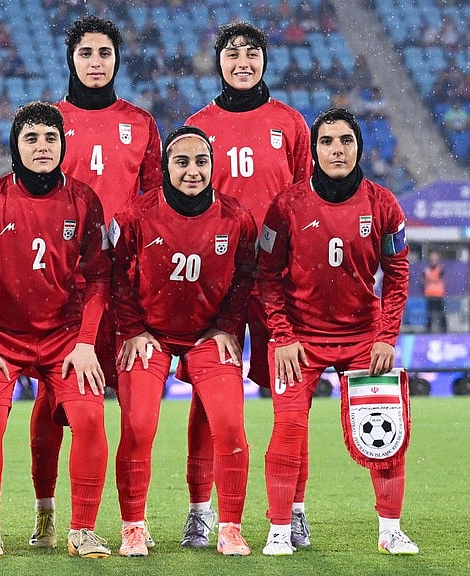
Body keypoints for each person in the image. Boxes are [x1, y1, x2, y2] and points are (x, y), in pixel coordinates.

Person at [30, 15, 162, 550]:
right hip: (66, 284)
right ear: (72, 60)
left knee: (134, 407)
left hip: (127, 283)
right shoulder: (50, 120)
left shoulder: (141, 122)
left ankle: (133, 516)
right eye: (86, 53)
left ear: (116, 60)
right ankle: (45, 511)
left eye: (104, 53)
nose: (95, 62)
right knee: (53, 402)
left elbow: (155, 202)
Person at [258, 107, 416, 556]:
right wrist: (283, 336)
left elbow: (398, 272)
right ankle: (280, 530)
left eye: (345, 140)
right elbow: (267, 275)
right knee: (288, 429)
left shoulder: (382, 202)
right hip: (299, 340)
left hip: (364, 336)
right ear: (314, 150)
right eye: (326, 141)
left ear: (359, 147)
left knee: (385, 429)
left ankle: (390, 530)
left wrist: (386, 336)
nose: (337, 149)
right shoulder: (286, 205)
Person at [0, 102, 111, 560]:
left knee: (89, 420)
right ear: (16, 147)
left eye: (50, 138)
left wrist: (86, 342)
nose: (42, 147)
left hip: (65, 338)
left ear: (63, 145)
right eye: (32, 139)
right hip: (0, 338)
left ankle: (78, 528)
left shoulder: (84, 200)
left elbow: (101, 276)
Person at [185, 21, 313, 549]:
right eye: (232, 53)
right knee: (207, 396)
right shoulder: (198, 125)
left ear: (264, 61)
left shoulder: (291, 122)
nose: (242, 61)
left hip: (280, 280)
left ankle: (294, 508)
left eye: (252, 53)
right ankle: (200, 510)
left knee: (293, 395)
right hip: (218, 281)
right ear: (219, 62)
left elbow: (310, 202)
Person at [111, 126, 255, 558]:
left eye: (201, 161)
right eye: (182, 161)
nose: (193, 170)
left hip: (207, 336)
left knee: (229, 426)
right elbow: (115, 275)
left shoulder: (237, 219)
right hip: (149, 335)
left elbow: (246, 276)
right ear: (164, 167)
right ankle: (133, 526)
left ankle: (227, 526)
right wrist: (133, 328)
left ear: (213, 166)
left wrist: (227, 325)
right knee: (138, 427)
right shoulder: (134, 215)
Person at [423, 250, 447, 333]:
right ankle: (428, 331)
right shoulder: (426, 270)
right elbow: (423, 282)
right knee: (429, 314)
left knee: (441, 314)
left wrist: (430, 280)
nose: (433, 258)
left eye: (435, 256)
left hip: (438, 295)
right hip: (429, 295)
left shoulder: (440, 269)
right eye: (432, 257)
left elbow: (441, 279)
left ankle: (444, 330)